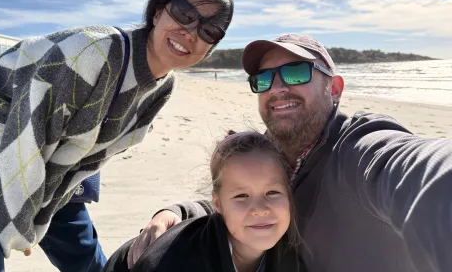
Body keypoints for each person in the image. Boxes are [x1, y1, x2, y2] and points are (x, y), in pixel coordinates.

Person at [0, 0, 234, 272]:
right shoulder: (93, 51)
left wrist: (39, 213)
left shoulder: (163, 87)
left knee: (86, 258)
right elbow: (26, 137)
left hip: (53, 160)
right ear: (157, 11)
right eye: (184, 14)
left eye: (208, 30)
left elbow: (89, 156)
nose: (190, 33)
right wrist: (20, 221)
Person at [128, 34, 452, 272]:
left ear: (335, 89)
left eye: (297, 72)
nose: (278, 87)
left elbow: (421, 171)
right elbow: (236, 192)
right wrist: (180, 211)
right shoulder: (272, 150)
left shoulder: (358, 149)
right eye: (264, 78)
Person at [103, 131, 305, 272]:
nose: (260, 209)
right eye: (241, 196)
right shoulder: (173, 261)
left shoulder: (290, 258)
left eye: (272, 192)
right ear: (218, 204)